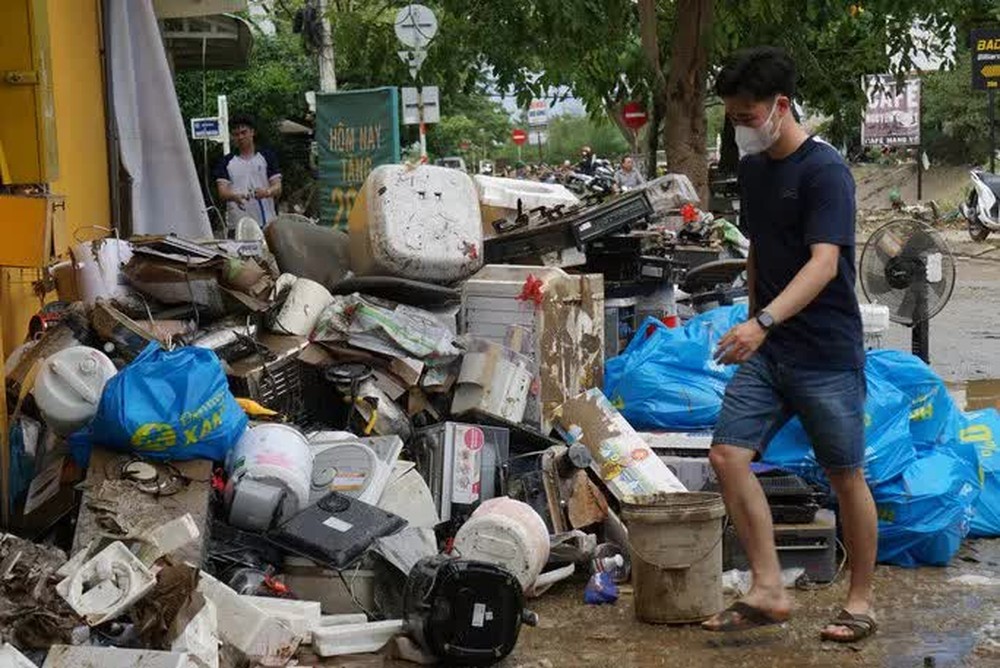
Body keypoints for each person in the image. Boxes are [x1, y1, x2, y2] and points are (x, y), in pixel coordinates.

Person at [702, 46, 877, 644]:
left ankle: (859, 601)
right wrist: (752, 319)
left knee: (844, 474)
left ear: (781, 106)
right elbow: (760, 249)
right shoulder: (753, 171)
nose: (741, 127)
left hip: (824, 351)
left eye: (748, 115)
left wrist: (764, 322)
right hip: (770, 350)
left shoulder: (824, 172)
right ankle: (769, 587)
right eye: (733, 117)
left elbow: (825, 263)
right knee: (728, 456)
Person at [213, 115, 282, 230]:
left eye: (244, 132)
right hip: (238, 225)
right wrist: (234, 196)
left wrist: (267, 192)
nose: (240, 137)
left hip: (266, 223)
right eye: (236, 134)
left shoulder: (266, 157)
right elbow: (222, 192)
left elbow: (278, 187)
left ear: (252, 132)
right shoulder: (226, 162)